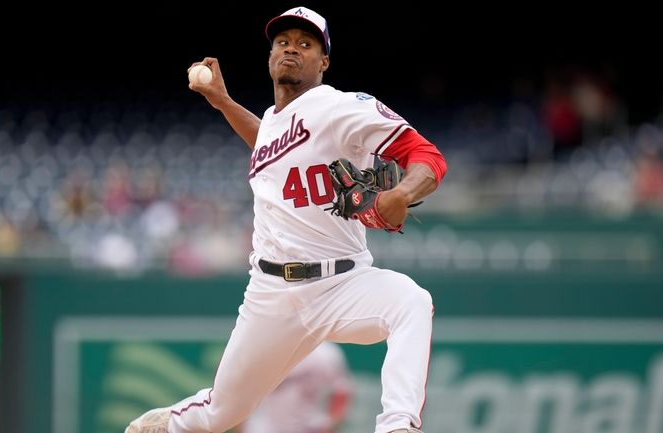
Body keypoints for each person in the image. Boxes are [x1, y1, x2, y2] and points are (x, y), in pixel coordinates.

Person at [125, 6, 446, 433]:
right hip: (271, 294)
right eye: (283, 42)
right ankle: (164, 426)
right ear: (271, 56)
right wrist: (223, 102)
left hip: (342, 284)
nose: (291, 48)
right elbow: (268, 143)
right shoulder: (276, 124)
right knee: (222, 413)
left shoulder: (339, 107)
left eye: (305, 43)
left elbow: (427, 155)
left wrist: (403, 192)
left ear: (323, 62)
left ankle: (397, 425)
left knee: (411, 301)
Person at [235, 341, 353, 433]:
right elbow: (240, 385)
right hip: (262, 427)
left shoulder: (326, 352)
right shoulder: (265, 346)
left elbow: (341, 391)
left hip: (308, 428)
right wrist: (240, 424)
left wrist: (330, 426)